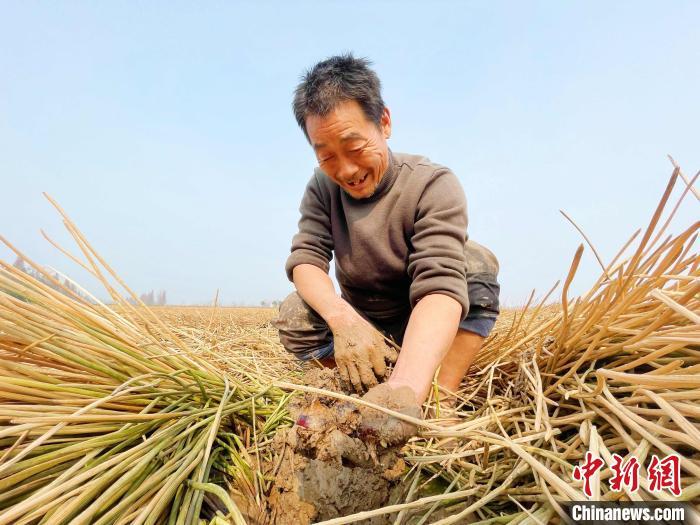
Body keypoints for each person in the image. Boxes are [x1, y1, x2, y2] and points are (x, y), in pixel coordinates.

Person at [274, 54, 500, 442]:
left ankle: (441, 399)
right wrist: (343, 321)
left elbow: (440, 286)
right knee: (296, 313)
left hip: (423, 319)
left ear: (384, 123)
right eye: (327, 156)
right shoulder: (321, 189)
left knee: (475, 263)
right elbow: (306, 261)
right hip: (364, 323)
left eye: (354, 146)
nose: (345, 170)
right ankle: (360, 382)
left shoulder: (432, 184)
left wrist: (405, 394)